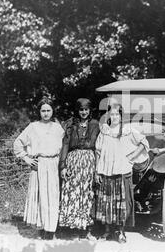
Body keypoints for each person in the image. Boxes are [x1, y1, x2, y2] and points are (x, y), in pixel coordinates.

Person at [94, 104, 149, 243]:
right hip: (105, 171)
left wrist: (131, 157)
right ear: (108, 116)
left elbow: (143, 142)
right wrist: (97, 171)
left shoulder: (128, 130)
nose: (114, 117)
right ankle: (107, 231)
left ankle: (121, 232)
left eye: (117, 114)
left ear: (121, 116)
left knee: (122, 203)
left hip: (122, 170)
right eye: (112, 115)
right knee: (106, 202)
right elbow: (98, 152)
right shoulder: (104, 131)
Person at [13, 97, 64, 240]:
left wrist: (62, 165)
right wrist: (26, 158)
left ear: (53, 111)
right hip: (39, 164)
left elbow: (63, 147)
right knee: (40, 196)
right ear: (39, 112)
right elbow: (18, 143)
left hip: (53, 164)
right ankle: (41, 226)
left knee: (52, 196)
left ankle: (51, 229)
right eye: (43, 111)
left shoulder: (58, 128)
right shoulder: (33, 127)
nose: (46, 113)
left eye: (48, 110)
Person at [58, 98, 100, 238]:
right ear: (77, 110)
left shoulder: (95, 124)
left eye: (86, 109)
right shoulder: (71, 124)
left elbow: (100, 146)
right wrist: (63, 166)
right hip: (73, 161)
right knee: (73, 193)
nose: (84, 112)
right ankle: (72, 228)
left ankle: (86, 229)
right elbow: (65, 144)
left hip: (89, 162)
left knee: (87, 193)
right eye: (81, 109)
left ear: (90, 110)